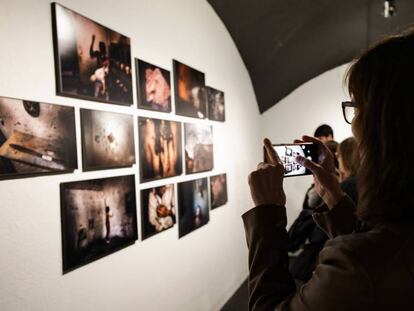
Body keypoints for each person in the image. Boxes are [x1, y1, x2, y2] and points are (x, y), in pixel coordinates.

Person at [243, 30, 414, 310]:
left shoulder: (357, 267)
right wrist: (333, 197)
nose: (354, 125)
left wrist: (267, 211)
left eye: (358, 108)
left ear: (387, 125)